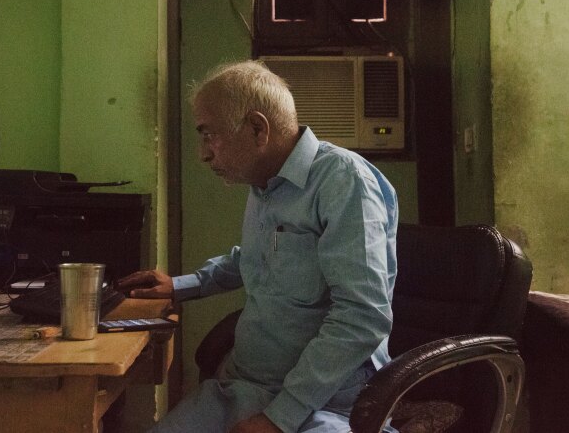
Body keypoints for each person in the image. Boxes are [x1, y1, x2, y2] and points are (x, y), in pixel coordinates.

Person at [118, 60, 398, 433]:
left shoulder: (344, 181)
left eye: (209, 135)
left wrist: (278, 418)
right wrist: (181, 285)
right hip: (246, 386)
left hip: (329, 401)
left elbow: (363, 317)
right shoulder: (264, 182)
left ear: (256, 128)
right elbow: (256, 257)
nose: (203, 154)